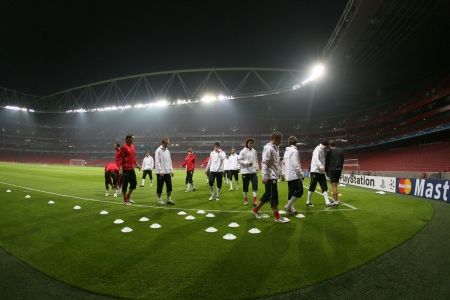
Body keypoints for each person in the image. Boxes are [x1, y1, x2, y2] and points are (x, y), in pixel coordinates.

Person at [251, 132, 289, 223]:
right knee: (273, 196)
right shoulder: (268, 148)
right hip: (270, 177)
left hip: (274, 176)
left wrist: (281, 174)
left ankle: (255, 210)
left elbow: (276, 163)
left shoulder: (276, 148)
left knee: (268, 195)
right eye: (280, 140)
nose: (281, 142)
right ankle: (277, 217)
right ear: (275, 139)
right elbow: (264, 162)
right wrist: (264, 176)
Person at [307, 140, 336, 207]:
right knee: (312, 186)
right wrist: (320, 165)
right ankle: (308, 201)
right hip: (315, 170)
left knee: (324, 186)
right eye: (327, 146)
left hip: (321, 171)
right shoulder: (317, 149)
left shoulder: (322, 150)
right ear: (325, 145)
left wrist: (324, 169)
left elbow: (323, 160)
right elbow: (316, 159)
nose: (327, 147)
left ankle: (327, 202)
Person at [118, 134, 141, 205]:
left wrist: (137, 165)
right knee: (125, 185)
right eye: (132, 138)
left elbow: (133, 157)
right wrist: (121, 168)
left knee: (134, 184)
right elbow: (121, 158)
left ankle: (128, 197)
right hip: (125, 169)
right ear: (127, 139)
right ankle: (125, 200)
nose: (133, 140)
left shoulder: (133, 146)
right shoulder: (123, 147)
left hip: (131, 168)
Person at [283, 136, 304, 214]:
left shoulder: (286, 151)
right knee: (300, 191)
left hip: (288, 175)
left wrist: (284, 173)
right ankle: (288, 206)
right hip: (294, 175)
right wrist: (301, 174)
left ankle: (290, 209)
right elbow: (296, 164)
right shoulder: (295, 151)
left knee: (291, 192)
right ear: (296, 143)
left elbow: (284, 163)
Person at [238, 138, 259, 206]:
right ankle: (245, 199)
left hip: (253, 172)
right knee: (245, 187)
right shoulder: (243, 151)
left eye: (252, 143)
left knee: (255, 186)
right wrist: (246, 163)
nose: (251, 144)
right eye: (250, 143)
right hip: (245, 172)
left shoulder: (254, 151)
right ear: (247, 143)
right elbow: (239, 160)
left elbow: (256, 160)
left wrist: (257, 167)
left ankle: (255, 200)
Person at [155, 137, 175, 205]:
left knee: (169, 186)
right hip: (160, 173)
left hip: (167, 172)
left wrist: (171, 170)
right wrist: (160, 171)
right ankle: (159, 200)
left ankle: (169, 199)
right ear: (163, 143)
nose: (167, 144)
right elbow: (157, 162)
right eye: (166, 143)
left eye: (168, 143)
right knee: (160, 187)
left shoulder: (167, 151)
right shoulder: (158, 150)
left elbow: (169, 161)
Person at [325, 139, 344, 205]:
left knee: (333, 186)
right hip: (338, 169)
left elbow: (326, 162)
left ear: (329, 145)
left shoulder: (329, 151)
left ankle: (336, 201)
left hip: (332, 169)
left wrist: (326, 172)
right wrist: (341, 168)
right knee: (335, 185)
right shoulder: (340, 150)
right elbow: (342, 160)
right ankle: (334, 199)